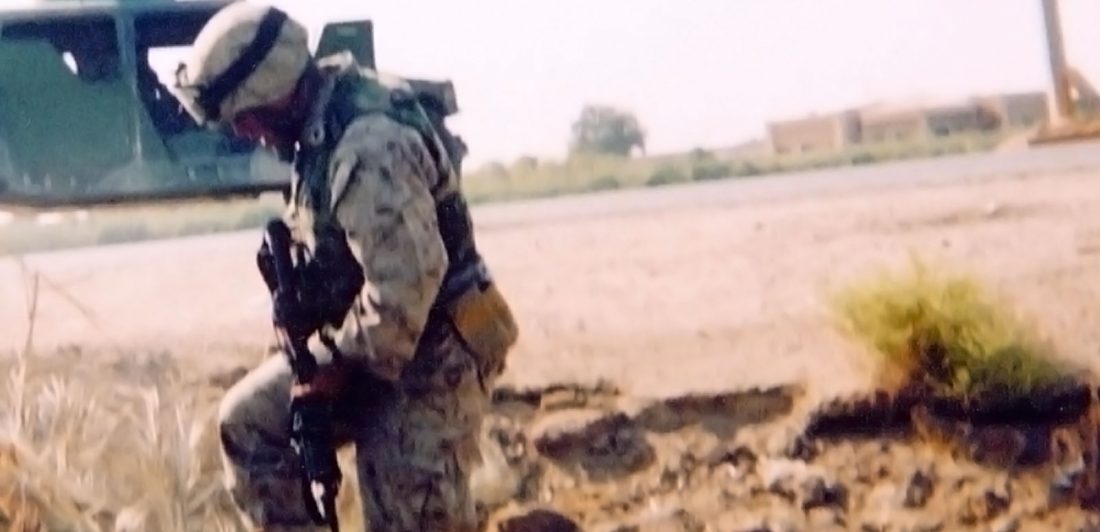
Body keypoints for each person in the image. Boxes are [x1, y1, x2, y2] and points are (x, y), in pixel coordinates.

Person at [170, 3, 519, 531]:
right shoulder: (318, 122)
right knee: (249, 426)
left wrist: (327, 365)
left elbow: (403, 298)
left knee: (407, 515)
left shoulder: (368, 145)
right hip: (368, 342)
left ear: (271, 89)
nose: (244, 132)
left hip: (436, 348)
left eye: (245, 116)